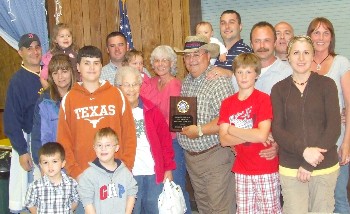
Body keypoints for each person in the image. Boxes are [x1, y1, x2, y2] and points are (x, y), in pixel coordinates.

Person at [271, 35, 341, 213]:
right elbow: (278, 130)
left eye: (306, 53)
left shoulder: (327, 85)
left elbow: (334, 128)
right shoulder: (278, 89)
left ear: (312, 56)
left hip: (324, 167)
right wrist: (304, 151)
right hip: (291, 168)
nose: (301, 58)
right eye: (296, 53)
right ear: (288, 55)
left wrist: (310, 163)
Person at [174, 35, 236, 213]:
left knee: (220, 208)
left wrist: (200, 130)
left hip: (215, 157)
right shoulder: (186, 82)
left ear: (208, 55)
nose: (191, 60)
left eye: (196, 54)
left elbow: (227, 119)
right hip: (193, 160)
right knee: (203, 208)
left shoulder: (218, 81)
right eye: (187, 56)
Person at [57, 45, 137, 180]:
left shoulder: (116, 94)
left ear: (101, 66)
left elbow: (129, 134)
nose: (92, 68)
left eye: (96, 63)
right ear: (78, 67)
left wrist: (125, 167)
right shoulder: (69, 99)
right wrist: (75, 172)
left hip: (116, 175)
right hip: (83, 177)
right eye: (86, 63)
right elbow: (64, 140)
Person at [218, 53, 281, 213]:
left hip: (265, 168)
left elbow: (261, 135)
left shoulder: (263, 99)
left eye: (248, 72)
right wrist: (252, 134)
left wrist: (232, 129)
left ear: (257, 75)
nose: (244, 76)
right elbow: (224, 140)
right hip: (242, 169)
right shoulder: (227, 103)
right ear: (234, 74)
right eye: (239, 72)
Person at [115, 66, 176, 214]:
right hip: (127, 173)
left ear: (141, 86)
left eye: (135, 84)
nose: (131, 89)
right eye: (127, 85)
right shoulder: (114, 113)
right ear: (118, 87)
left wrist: (168, 168)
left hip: (153, 173)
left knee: (154, 210)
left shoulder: (152, 110)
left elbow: (165, 142)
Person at [307, 17, 350, 214]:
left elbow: (349, 105)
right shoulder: (302, 63)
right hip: (310, 145)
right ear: (310, 36)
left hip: (337, 140)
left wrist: (347, 143)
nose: (321, 37)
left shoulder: (340, 62)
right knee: (314, 199)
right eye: (316, 32)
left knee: (338, 196)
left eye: (326, 33)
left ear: (331, 37)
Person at [148, 45, 191, 213]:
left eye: (164, 60)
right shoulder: (151, 83)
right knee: (160, 189)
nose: (160, 64)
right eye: (157, 60)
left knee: (177, 187)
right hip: (154, 144)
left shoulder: (176, 85)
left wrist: (155, 126)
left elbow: (178, 121)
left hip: (172, 144)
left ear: (172, 62)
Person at [4, 33, 43, 213]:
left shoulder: (51, 72)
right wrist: (22, 150)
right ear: (20, 52)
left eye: (37, 47)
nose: (35, 51)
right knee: (31, 196)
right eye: (29, 48)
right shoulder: (17, 81)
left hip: (52, 140)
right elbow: (11, 120)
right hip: (29, 142)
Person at [78, 127, 137, 214]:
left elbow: (132, 193)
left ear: (116, 148)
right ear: (94, 148)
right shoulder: (88, 175)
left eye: (108, 145)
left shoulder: (125, 173)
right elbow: (87, 203)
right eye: (99, 145)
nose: (103, 148)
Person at [31, 54, 75, 169]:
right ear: (51, 77)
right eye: (55, 73)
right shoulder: (44, 102)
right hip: (54, 166)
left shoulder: (82, 96)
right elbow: (38, 138)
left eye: (64, 71)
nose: (60, 77)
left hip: (79, 163)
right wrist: (43, 166)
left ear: (72, 71)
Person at [25, 142, 79, 214]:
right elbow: (29, 203)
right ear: (41, 165)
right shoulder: (35, 186)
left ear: (63, 163)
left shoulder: (72, 184)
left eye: (54, 161)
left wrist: (69, 210)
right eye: (45, 162)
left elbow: (76, 200)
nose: (50, 166)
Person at [41, 23, 79, 88]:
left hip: (75, 86)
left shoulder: (76, 53)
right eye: (62, 36)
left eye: (68, 36)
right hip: (59, 88)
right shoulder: (52, 55)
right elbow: (44, 74)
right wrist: (49, 89)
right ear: (55, 39)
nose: (66, 38)